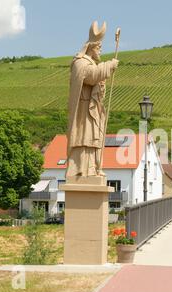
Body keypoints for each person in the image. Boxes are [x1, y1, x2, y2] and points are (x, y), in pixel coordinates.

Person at [66, 21, 119, 178]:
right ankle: (80, 169)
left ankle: (93, 168)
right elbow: (91, 76)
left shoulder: (90, 63)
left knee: (94, 138)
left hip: (92, 108)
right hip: (82, 110)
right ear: (91, 47)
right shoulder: (80, 62)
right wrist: (109, 66)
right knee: (84, 137)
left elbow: (96, 77)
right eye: (99, 47)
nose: (100, 51)